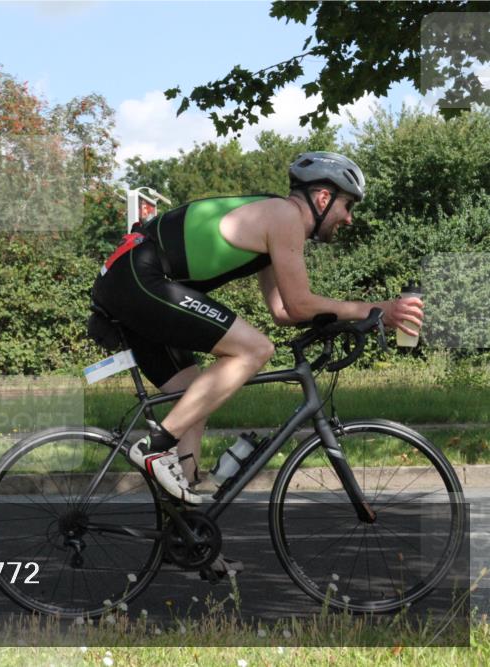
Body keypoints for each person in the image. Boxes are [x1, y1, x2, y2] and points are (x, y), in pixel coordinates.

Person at [92, 152, 425, 506]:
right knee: (255, 349)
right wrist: (377, 309)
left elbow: (283, 310)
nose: (349, 218)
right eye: (348, 206)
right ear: (324, 198)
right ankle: (155, 448)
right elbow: (300, 304)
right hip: (140, 276)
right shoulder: (284, 216)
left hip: (131, 279)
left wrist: (349, 321)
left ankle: (188, 538)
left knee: (195, 398)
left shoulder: (271, 219)